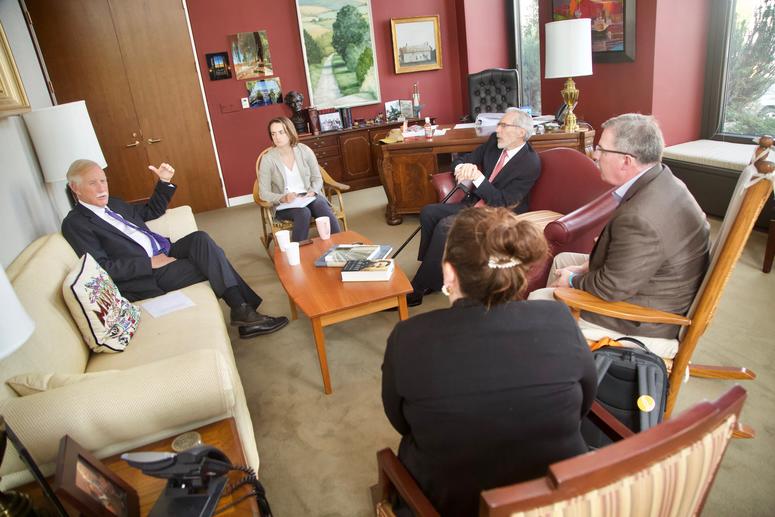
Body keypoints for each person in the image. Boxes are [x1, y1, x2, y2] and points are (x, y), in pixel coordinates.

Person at [382, 207, 596, 517]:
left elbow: (401, 422)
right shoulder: (559, 317)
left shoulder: (409, 337)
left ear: (450, 273)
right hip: (558, 501)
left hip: (452, 504)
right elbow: (585, 403)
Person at [530, 114, 710, 358]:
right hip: (655, 284)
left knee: (537, 300)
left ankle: (545, 358)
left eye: (601, 149)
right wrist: (582, 269)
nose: (594, 155)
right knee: (562, 260)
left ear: (626, 160)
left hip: (643, 318)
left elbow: (611, 287)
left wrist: (572, 282)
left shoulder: (641, 217)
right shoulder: (663, 179)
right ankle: (558, 350)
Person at [62, 160, 288, 338]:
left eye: (103, 181)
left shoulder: (115, 203)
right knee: (213, 259)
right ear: (76, 188)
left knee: (201, 240)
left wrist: (163, 182)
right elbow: (101, 268)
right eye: (93, 183)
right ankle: (244, 312)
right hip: (147, 275)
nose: (102, 188)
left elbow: (151, 211)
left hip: (164, 251)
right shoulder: (76, 224)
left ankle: (243, 312)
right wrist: (149, 263)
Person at [407, 107, 541, 306]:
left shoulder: (529, 162)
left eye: (504, 125)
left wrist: (478, 177)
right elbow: (462, 160)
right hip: (475, 204)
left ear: (521, 132)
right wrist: (463, 168)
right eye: (499, 125)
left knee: (446, 226)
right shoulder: (494, 144)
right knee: (429, 212)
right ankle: (432, 275)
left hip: (499, 214)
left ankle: (417, 288)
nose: (497, 130)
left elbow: (502, 201)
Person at [257, 116, 341, 242]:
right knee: (303, 213)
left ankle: (339, 244)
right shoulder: (268, 159)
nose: (277, 137)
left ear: (290, 132)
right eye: (273, 134)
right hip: (285, 203)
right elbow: (263, 193)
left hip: (308, 195)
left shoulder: (305, 150)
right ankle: (298, 251)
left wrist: (313, 191)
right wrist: (282, 198)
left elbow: (317, 178)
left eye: (281, 132)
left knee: (320, 205)